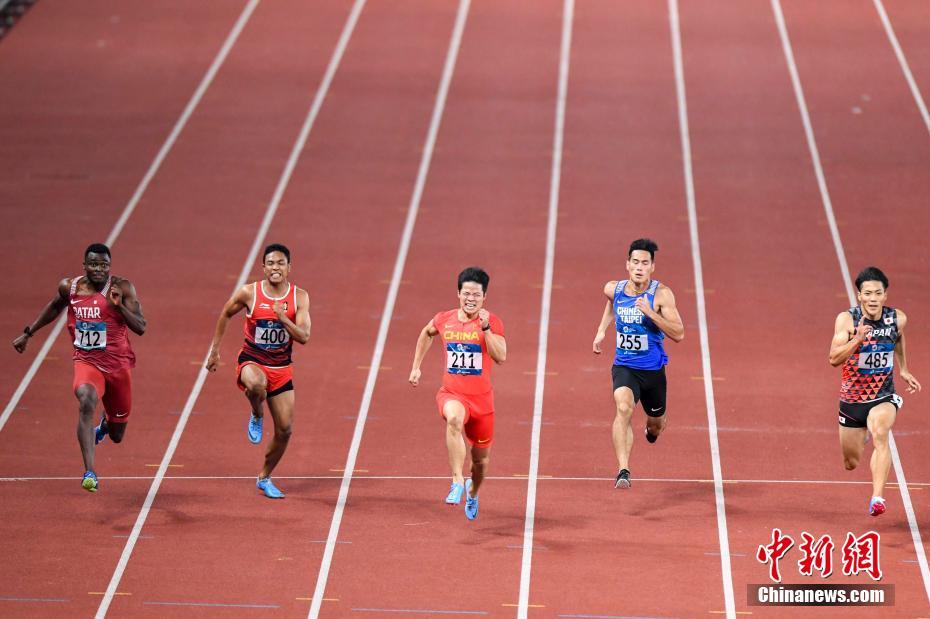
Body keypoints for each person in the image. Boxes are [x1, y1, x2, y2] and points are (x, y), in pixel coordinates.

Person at [12, 243, 146, 492]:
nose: (98, 269)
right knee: (86, 400)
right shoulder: (70, 287)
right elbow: (54, 306)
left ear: (109, 266)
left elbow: (141, 327)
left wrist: (119, 307)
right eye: (93, 264)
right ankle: (90, 471)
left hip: (118, 366)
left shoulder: (122, 288)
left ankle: (105, 426)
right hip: (87, 361)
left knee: (117, 436)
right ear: (84, 266)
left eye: (103, 265)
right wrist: (28, 333)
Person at [206, 243, 310, 499]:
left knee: (285, 430)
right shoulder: (249, 293)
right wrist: (215, 350)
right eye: (271, 263)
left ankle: (264, 477)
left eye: (281, 263)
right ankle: (256, 412)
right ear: (263, 267)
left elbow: (305, 336)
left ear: (289, 268)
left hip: (282, 368)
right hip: (252, 360)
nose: (276, 268)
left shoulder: (299, 297)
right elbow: (225, 313)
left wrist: (283, 319)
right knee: (256, 386)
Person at [409, 267, 506, 520]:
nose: (470, 298)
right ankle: (456, 481)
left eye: (476, 294)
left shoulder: (492, 321)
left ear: (484, 297)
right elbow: (426, 333)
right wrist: (416, 367)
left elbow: (501, 356)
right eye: (466, 293)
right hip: (452, 393)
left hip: (482, 402)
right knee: (453, 419)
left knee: (481, 464)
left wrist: (485, 329)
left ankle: (473, 492)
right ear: (458, 294)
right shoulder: (444, 318)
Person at [829, 266, 921, 516]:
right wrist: (857, 340)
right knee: (851, 463)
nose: (872, 298)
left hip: (883, 395)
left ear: (885, 295)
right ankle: (863, 433)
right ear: (859, 295)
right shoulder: (847, 320)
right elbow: (833, 359)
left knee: (881, 431)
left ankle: (877, 498)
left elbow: (899, 336)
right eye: (867, 293)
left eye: (877, 293)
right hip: (852, 399)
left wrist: (904, 369)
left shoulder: (897, 318)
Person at [593, 238, 684, 489]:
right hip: (625, 366)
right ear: (627, 265)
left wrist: (651, 313)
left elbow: (679, 334)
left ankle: (651, 432)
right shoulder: (614, 288)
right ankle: (624, 469)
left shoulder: (662, 294)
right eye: (635, 262)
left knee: (656, 424)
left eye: (645, 263)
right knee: (623, 407)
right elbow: (611, 304)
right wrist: (601, 330)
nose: (639, 267)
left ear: (652, 267)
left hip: (653, 371)